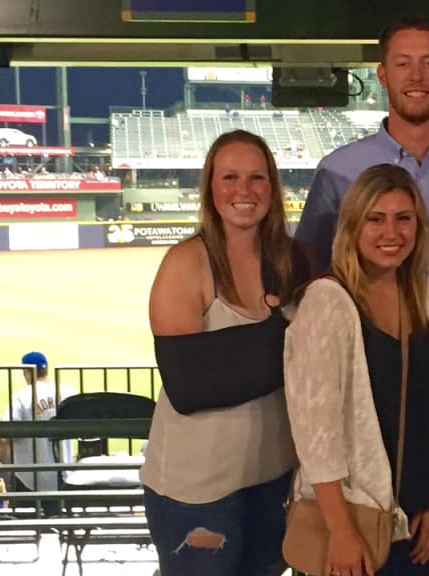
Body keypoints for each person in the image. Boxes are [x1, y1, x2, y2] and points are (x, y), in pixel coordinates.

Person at [295, 17, 429, 576]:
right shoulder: (339, 169)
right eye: (403, 63)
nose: (417, 75)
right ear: (382, 74)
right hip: (374, 417)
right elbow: (309, 282)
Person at [141, 130, 311, 576]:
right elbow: (190, 385)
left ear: (272, 188)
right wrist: (287, 345)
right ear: (210, 188)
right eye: (230, 176)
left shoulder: (292, 260)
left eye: (257, 178)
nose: (244, 190)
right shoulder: (186, 263)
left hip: (272, 475)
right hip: (196, 488)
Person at [285, 164, 429, 576]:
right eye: (376, 219)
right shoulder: (328, 301)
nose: (391, 233)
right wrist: (341, 532)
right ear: (353, 226)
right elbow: (316, 434)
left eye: (404, 218)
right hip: (353, 523)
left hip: (419, 522)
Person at [0, 351, 75, 517]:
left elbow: (5, 434)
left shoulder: (21, 398)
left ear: (27, 371)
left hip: (28, 478)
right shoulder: (68, 392)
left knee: (25, 524)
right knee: (59, 520)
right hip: (64, 475)